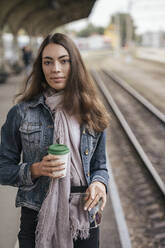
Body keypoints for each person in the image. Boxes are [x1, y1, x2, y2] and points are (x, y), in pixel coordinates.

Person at [0, 33, 110, 248]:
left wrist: (99, 183)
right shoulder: (21, 113)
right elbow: (2, 166)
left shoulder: (91, 112)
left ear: (75, 64)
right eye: (47, 62)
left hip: (84, 215)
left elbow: (100, 166)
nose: (55, 69)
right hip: (36, 215)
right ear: (41, 67)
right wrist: (35, 169)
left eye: (64, 60)